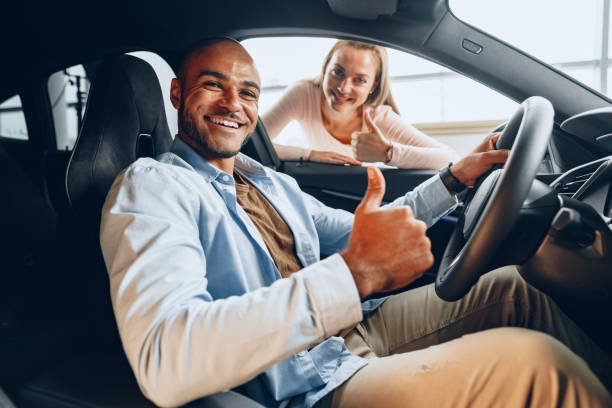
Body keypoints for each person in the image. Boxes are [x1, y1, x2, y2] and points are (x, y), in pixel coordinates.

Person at [100, 38, 611, 408]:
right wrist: (353, 276)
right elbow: (164, 361)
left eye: (248, 92)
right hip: (303, 386)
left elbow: (358, 235)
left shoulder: (266, 181)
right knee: (538, 368)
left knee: (515, 289)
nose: (234, 104)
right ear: (174, 95)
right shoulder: (152, 187)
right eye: (213, 86)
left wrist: (455, 178)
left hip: (347, 333)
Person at [262, 40, 460, 168]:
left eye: (360, 80)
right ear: (325, 68)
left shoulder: (378, 116)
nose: (343, 88)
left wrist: (388, 153)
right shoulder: (304, 93)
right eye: (338, 72)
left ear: (373, 85)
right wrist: (310, 154)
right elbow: (249, 143)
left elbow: (450, 158)